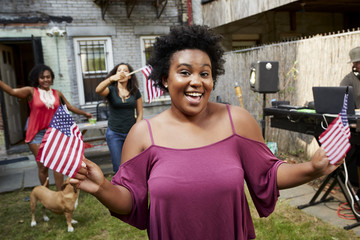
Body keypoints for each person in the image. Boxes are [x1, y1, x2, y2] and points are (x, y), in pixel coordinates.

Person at [71, 25, 342, 239]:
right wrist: (102, 188)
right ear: (165, 78)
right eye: (185, 72)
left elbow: (268, 173)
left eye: (205, 73)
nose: (196, 82)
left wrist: (313, 168)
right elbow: (130, 202)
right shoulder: (143, 135)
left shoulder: (237, 121)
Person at [0, 64, 93, 191]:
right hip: (36, 134)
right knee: (43, 167)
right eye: (42, 77)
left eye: (48, 77)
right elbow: (11, 91)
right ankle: (47, 194)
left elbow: (69, 107)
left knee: (58, 164)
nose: (45, 80)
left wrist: (85, 113)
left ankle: (60, 194)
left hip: (54, 133)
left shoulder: (57, 93)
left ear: (52, 78)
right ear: (36, 79)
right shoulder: (31, 91)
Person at [95, 63, 143, 173]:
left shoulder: (135, 91)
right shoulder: (110, 90)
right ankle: (120, 189)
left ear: (130, 75)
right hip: (114, 133)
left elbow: (140, 113)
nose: (122, 72)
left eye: (125, 70)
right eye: (119, 70)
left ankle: (133, 189)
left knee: (132, 164)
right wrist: (110, 79)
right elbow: (98, 90)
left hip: (131, 134)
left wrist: (136, 129)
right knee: (118, 166)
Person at [340, 46, 360, 191]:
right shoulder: (349, 80)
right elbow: (343, 102)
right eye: (356, 62)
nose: (358, 65)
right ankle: (354, 183)